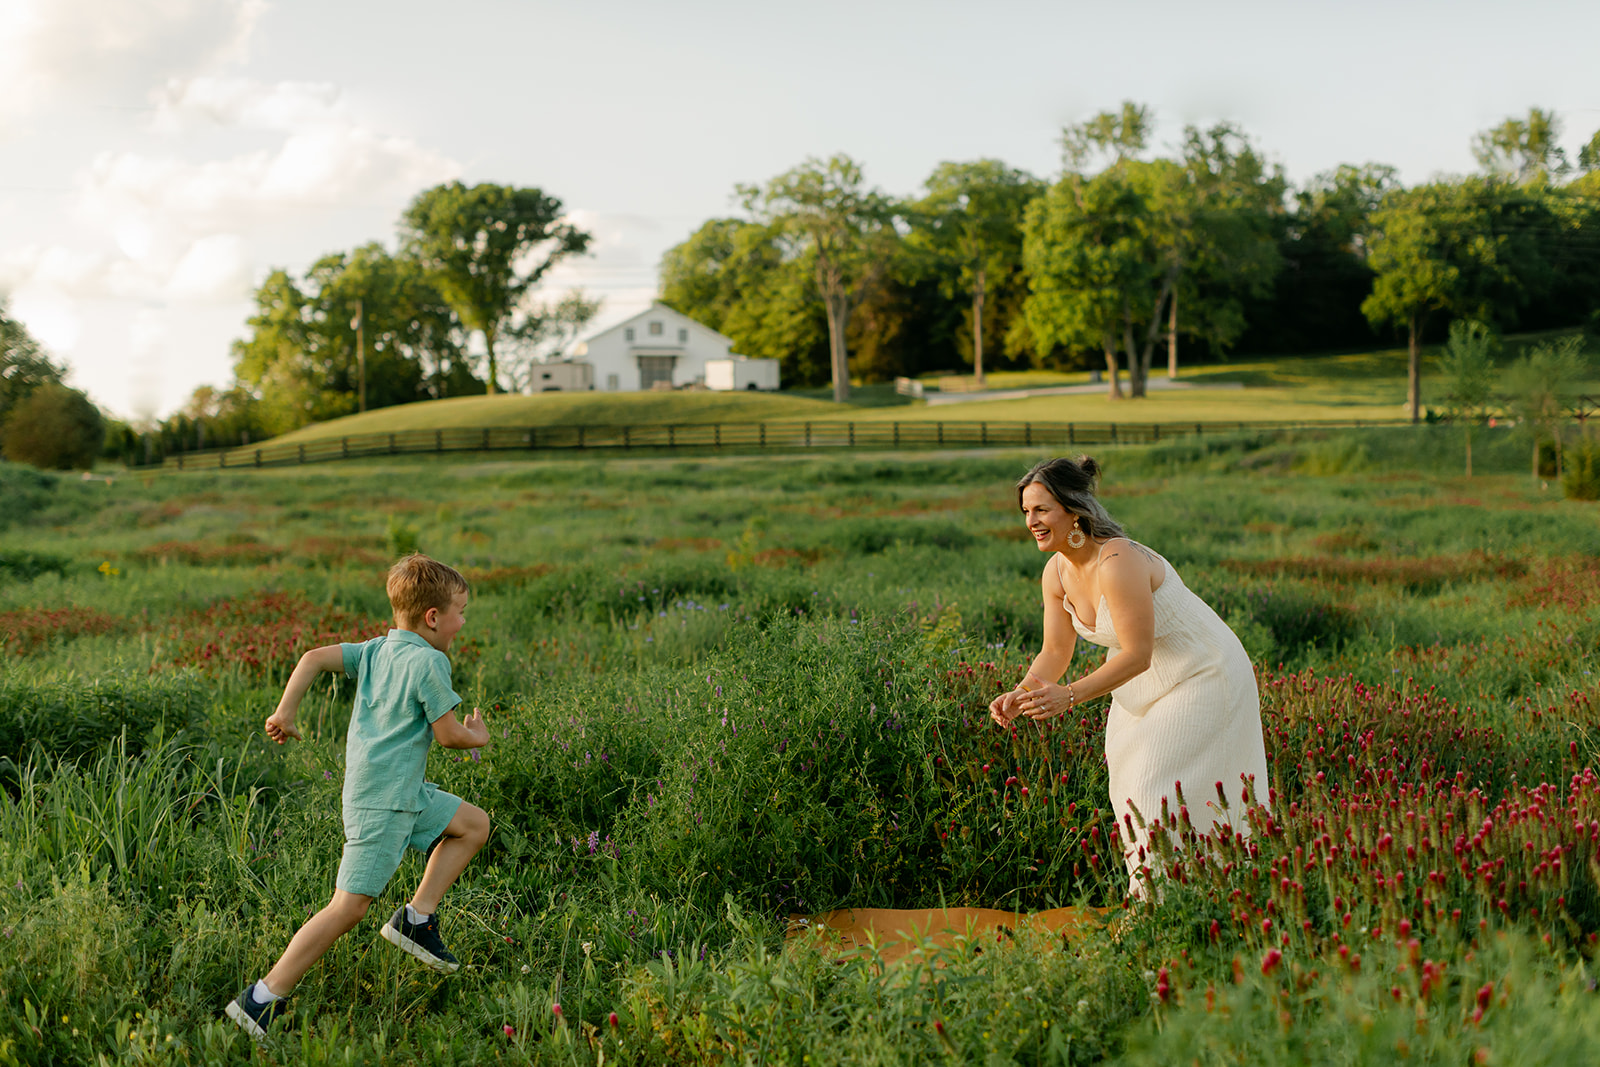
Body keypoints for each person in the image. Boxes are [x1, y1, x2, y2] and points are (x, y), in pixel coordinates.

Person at [225, 554, 492, 1041]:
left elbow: (310, 659)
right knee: (347, 908)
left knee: (473, 824)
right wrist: (478, 736)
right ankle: (260, 999)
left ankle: (416, 920)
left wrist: (285, 712)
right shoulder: (432, 662)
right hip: (384, 803)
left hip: (403, 792)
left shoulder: (376, 649)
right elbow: (450, 736)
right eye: (460, 609)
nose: (463, 619)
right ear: (434, 618)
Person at [988, 457, 1268, 895]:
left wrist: (1070, 696)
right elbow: (1056, 651)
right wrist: (1021, 693)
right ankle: (1171, 902)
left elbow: (1137, 653)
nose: (1032, 521)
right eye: (1026, 511)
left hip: (1204, 673)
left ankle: (1184, 901)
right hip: (1141, 687)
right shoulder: (1056, 572)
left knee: (1155, 788)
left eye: (1041, 509)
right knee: (1133, 796)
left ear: (1072, 509)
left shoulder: (1117, 560)